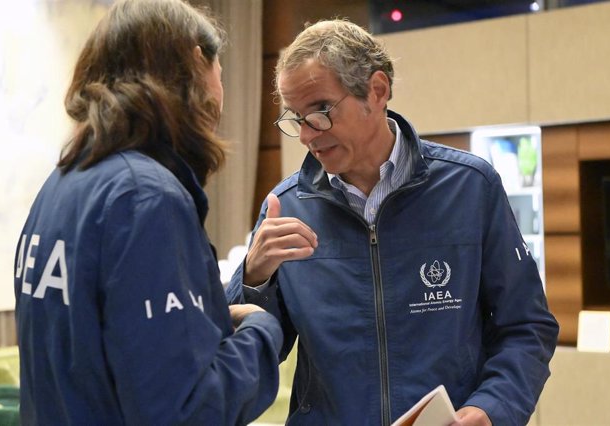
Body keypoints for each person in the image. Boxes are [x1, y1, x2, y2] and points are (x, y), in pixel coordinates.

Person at [225, 19, 559, 426]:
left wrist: (491, 408)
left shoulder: (470, 188)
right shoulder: (286, 206)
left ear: (377, 91)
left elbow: (526, 326)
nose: (307, 136)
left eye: (320, 111)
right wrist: (252, 279)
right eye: (296, 117)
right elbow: (250, 354)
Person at [14, 1, 282, 424]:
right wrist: (262, 331)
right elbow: (190, 411)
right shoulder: (146, 199)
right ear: (197, 62)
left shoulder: (62, 185)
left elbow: (103, 343)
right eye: (222, 73)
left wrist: (207, 317)